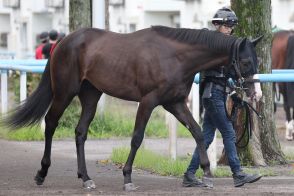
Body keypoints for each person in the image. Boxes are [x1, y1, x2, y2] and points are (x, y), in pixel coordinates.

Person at [182, 7, 262, 188]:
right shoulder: (212, 45)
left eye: (231, 26)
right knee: (228, 132)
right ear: (217, 25)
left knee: (207, 137)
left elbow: (225, 75)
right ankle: (238, 173)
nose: (230, 29)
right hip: (213, 95)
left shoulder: (225, 46)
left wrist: (234, 93)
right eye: (227, 25)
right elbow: (214, 75)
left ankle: (189, 174)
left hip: (216, 94)